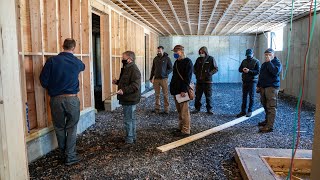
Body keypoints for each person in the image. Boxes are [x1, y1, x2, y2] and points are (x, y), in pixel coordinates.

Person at [40, 38, 85, 166]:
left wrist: (53, 88)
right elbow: (83, 66)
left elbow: (43, 81)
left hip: (55, 99)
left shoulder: (52, 61)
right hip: (72, 99)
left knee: (59, 127)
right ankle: (70, 156)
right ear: (73, 48)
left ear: (62, 46)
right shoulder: (76, 62)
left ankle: (62, 154)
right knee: (71, 127)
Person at [113, 51, 141, 144]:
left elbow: (135, 85)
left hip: (130, 98)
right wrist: (117, 82)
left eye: (123, 57)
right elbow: (126, 81)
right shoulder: (126, 68)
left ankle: (129, 138)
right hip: (127, 98)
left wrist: (123, 90)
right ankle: (132, 136)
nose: (122, 59)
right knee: (131, 118)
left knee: (128, 119)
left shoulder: (134, 69)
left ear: (129, 59)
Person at [169, 45, 193, 137]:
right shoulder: (176, 62)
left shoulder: (188, 62)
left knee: (184, 111)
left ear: (182, 52)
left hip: (182, 91)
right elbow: (175, 76)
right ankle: (181, 127)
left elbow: (188, 77)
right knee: (179, 111)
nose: (175, 53)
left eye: (176, 52)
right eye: (174, 52)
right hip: (175, 90)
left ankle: (186, 130)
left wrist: (183, 90)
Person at [257, 48, 282, 133]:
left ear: (273, 55)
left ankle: (269, 126)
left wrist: (269, 62)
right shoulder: (264, 64)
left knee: (271, 106)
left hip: (272, 88)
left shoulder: (277, 63)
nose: (267, 56)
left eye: (269, 55)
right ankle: (267, 121)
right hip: (263, 87)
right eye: (266, 55)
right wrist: (258, 85)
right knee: (264, 104)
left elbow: (275, 72)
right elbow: (261, 75)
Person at [193, 46, 218, 114]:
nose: (201, 53)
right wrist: (196, 74)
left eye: (202, 52)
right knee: (198, 96)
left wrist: (209, 73)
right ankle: (197, 108)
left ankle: (209, 110)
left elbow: (216, 69)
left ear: (205, 52)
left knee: (208, 96)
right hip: (199, 81)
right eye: (200, 52)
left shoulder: (211, 59)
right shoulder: (198, 59)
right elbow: (194, 68)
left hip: (208, 82)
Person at [236, 49, 260, 118]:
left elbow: (257, 71)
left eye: (249, 55)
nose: (248, 57)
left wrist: (249, 71)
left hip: (252, 81)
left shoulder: (256, 62)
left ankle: (250, 110)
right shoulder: (244, 61)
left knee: (251, 96)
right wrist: (243, 69)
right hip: (245, 81)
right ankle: (243, 111)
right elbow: (239, 69)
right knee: (244, 96)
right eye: (247, 55)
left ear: (253, 54)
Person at [149, 46, 173, 114]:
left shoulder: (167, 58)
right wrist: (151, 78)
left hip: (164, 79)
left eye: (160, 51)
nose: (158, 52)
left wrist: (166, 73)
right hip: (156, 79)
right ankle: (157, 109)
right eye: (158, 51)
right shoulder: (155, 59)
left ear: (163, 50)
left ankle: (166, 109)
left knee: (165, 94)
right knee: (157, 94)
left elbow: (171, 68)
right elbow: (153, 69)